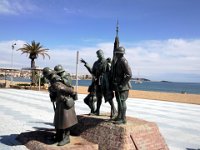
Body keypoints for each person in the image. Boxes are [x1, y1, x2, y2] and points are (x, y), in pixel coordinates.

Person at [42, 67, 78, 146]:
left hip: (65, 102)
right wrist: (52, 95)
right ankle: (58, 136)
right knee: (58, 120)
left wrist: (59, 88)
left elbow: (69, 90)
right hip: (59, 102)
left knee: (66, 121)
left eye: (47, 76)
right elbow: (54, 91)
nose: (46, 78)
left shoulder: (57, 80)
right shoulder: (52, 81)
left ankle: (66, 138)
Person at [81, 50, 117, 118]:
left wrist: (111, 62)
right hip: (98, 82)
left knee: (108, 97)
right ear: (97, 55)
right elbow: (92, 71)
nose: (101, 55)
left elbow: (112, 71)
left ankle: (114, 110)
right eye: (99, 54)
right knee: (99, 97)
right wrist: (86, 64)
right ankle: (97, 111)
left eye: (101, 54)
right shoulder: (96, 63)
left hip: (105, 82)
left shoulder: (106, 61)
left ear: (103, 54)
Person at [111, 46, 132, 124]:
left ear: (119, 53)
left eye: (116, 53)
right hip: (118, 86)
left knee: (122, 102)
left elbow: (129, 75)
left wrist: (122, 84)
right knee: (119, 102)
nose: (115, 54)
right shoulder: (118, 61)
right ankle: (119, 116)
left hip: (123, 87)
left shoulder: (123, 61)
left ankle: (123, 119)